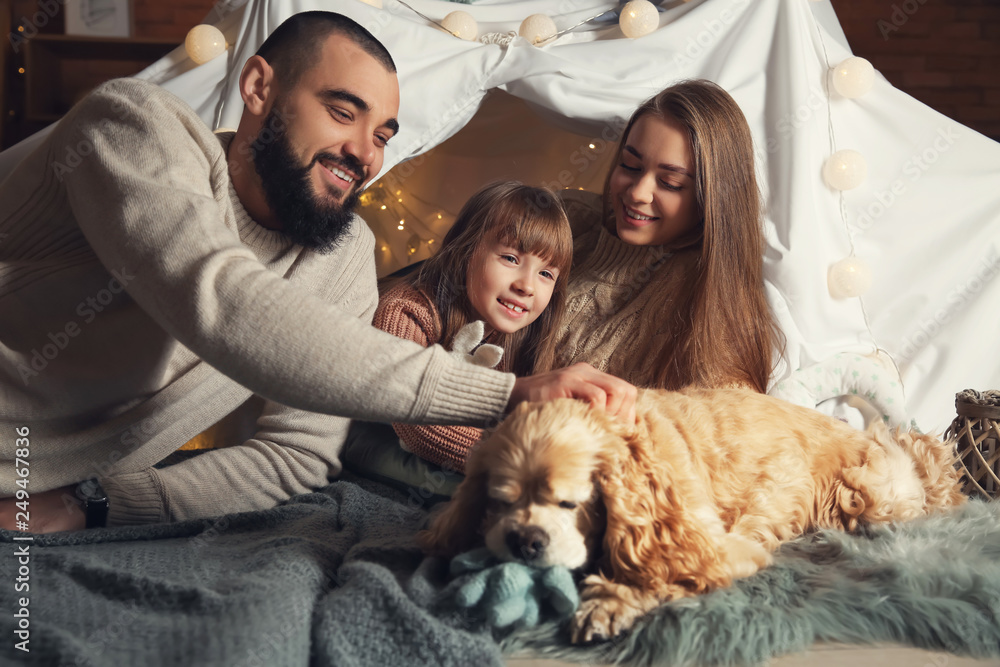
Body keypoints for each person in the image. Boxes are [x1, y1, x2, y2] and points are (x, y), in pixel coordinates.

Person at [0, 12, 635, 533]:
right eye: (342, 112)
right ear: (259, 88)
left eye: (382, 135)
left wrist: (95, 506)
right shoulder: (133, 125)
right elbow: (219, 301)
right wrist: (503, 395)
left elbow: (298, 454)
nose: (365, 154)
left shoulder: (343, 252)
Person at [555, 79, 782, 392]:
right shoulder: (567, 217)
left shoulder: (710, 304)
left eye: (671, 183)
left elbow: (726, 414)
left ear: (711, 200)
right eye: (630, 165)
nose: (637, 193)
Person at [374, 181, 572, 473]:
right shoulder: (406, 311)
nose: (527, 286)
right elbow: (414, 419)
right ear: (465, 251)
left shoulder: (525, 340)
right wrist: (524, 461)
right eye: (510, 258)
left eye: (545, 273)